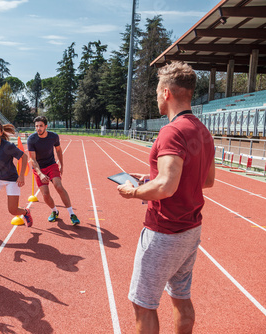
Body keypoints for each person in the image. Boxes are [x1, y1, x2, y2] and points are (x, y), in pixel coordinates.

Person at [117, 61, 215, 333]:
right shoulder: (203, 131)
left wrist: (133, 191)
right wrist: (152, 180)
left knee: (143, 304)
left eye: (158, 91)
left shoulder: (172, 131)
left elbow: (167, 187)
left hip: (165, 229)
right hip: (190, 230)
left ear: (167, 93)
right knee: (181, 297)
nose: (157, 97)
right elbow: (206, 180)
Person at [27, 116, 80, 225]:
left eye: (41, 126)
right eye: (36, 126)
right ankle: (54, 211)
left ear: (46, 126)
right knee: (45, 194)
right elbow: (32, 159)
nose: (38, 128)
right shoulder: (31, 139)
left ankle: (71, 214)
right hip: (38, 168)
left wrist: (61, 164)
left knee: (58, 186)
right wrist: (40, 173)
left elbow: (59, 150)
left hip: (51, 165)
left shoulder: (53, 137)